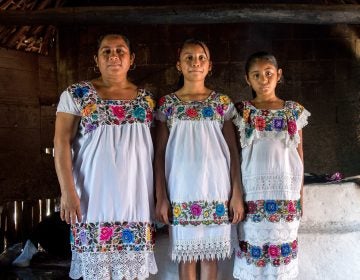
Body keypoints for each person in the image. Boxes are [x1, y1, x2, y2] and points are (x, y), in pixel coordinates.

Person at [54, 33, 157, 280]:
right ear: (96, 59)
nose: (114, 56)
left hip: (135, 199)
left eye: (120, 50)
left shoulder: (147, 100)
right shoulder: (77, 94)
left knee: (130, 273)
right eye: (106, 51)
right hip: (92, 198)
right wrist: (68, 191)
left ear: (131, 59)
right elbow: (60, 142)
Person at [155, 38, 245, 280]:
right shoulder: (168, 104)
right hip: (181, 190)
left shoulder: (221, 103)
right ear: (179, 65)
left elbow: (233, 152)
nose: (195, 62)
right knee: (187, 258)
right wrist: (161, 197)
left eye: (201, 58)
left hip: (216, 189)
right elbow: (160, 154)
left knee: (210, 258)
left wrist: (236, 193)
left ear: (209, 65)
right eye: (189, 58)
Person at [233, 51, 310, 279]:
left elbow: (300, 154)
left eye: (268, 73)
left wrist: (300, 195)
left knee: (280, 264)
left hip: (286, 195)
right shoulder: (242, 111)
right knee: (254, 260)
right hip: (252, 195)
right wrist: (236, 194)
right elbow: (235, 155)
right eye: (256, 75)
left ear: (279, 75)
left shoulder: (294, 111)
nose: (263, 79)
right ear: (248, 79)